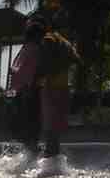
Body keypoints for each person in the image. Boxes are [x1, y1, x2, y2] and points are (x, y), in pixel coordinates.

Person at [36, 24, 79, 162]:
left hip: (50, 87)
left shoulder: (49, 40)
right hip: (64, 88)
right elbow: (77, 60)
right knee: (56, 127)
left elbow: (44, 64)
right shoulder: (65, 44)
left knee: (49, 126)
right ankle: (54, 157)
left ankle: (49, 158)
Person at [8, 18, 45, 161]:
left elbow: (16, 72)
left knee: (26, 128)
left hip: (21, 92)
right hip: (30, 91)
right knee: (33, 126)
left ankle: (29, 154)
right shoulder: (36, 50)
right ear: (37, 36)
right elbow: (33, 72)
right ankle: (33, 155)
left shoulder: (24, 50)